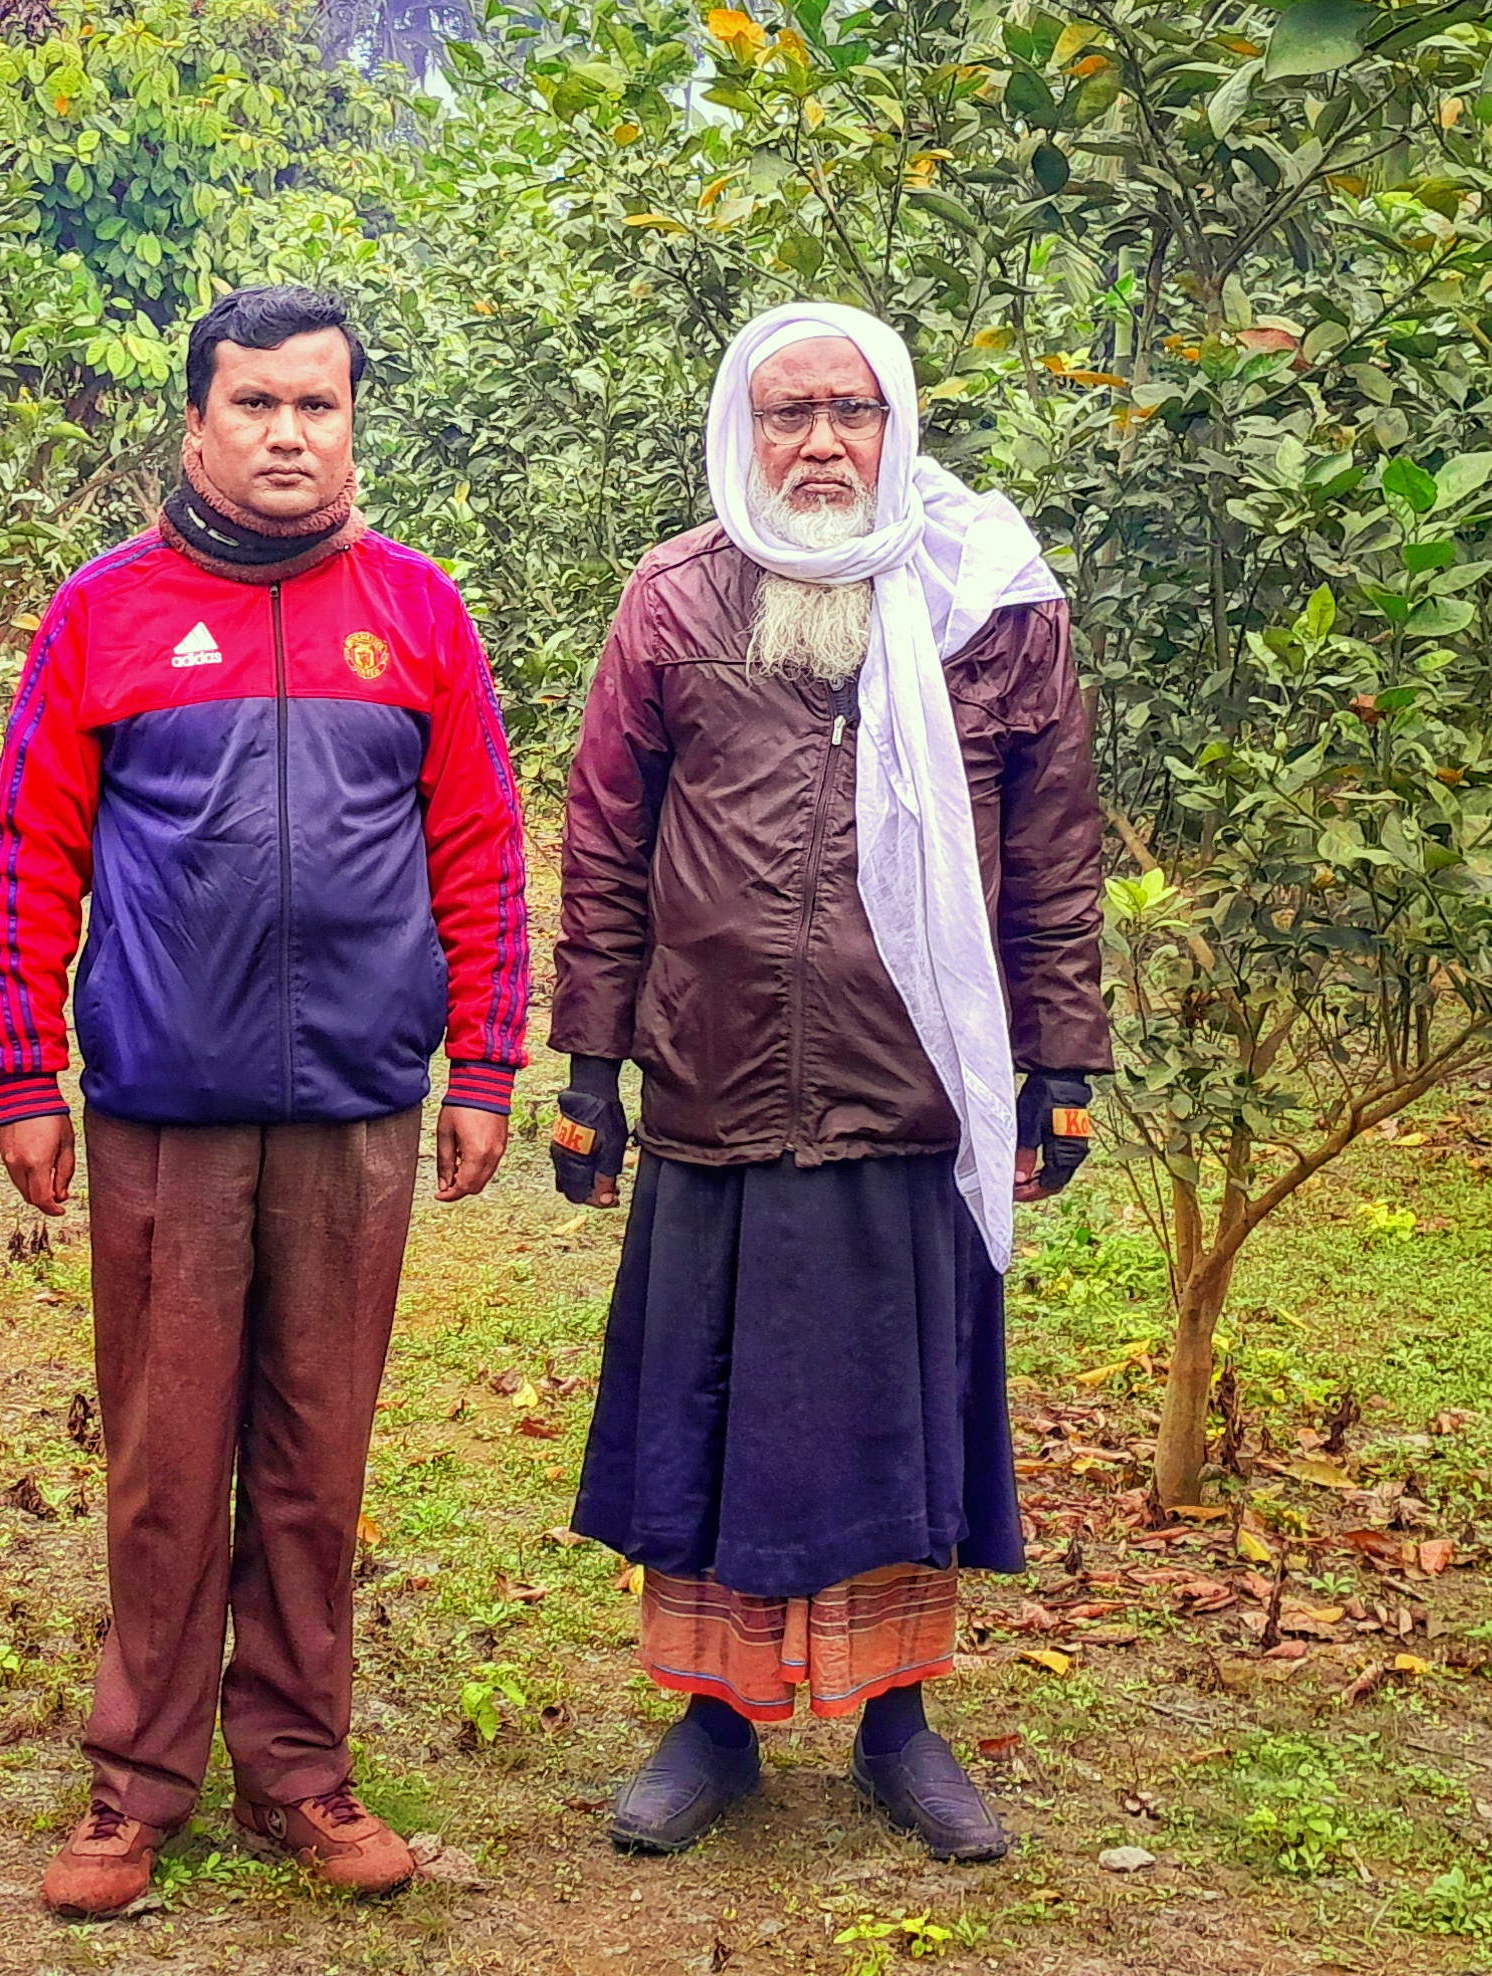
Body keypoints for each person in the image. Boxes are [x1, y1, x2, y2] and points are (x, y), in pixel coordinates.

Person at [0, 285, 530, 1917]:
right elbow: (30, 852)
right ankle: (136, 1784)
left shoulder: (417, 614)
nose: (289, 435)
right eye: (256, 406)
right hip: (165, 1103)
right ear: (197, 421)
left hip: (359, 1105)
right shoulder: (107, 615)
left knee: (314, 1454)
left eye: (319, 407)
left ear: (353, 423)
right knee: (163, 1455)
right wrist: (27, 1073)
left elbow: (482, 848)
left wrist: (484, 1062)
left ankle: (298, 1769)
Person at [548, 302, 1107, 1862]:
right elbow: (603, 849)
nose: (816, 445)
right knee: (711, 1413)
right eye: (786, 413)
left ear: (895, 424)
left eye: (847, 413)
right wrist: (589, 1068)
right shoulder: (674, 598)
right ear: (742, 425)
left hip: (916, 1089)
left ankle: (897, 1724)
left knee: (901, 1418)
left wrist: (1063, 1061)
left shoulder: (989, 603)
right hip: (717, 1090)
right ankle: (715, 1724)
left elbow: (1057, 858)